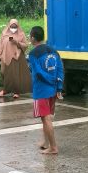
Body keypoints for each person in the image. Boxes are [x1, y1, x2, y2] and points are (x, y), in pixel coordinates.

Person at [28, 26, 64, 155]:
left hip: (41, 90)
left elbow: (37, 72)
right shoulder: (54, 51)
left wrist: (49, 80)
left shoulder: (33, 54)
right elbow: (60, 69)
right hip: (53, 90)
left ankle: (53, 147)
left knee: (46, 118)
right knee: (47, 117)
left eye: (29, 36)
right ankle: (45, 142)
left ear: (33, 38)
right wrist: (58, 86)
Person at [0, 19, 31, 98]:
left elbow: (25, 45)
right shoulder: (4, 34)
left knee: (15, 75)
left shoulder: (21, 34)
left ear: (17, 26)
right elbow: (0, 44)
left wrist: (16, 42)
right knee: (3, 72)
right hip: (5, 56)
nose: (13, 28)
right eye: (12, 26)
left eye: (15, 27)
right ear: (9, 26)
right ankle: (6, 89)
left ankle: (16, 92)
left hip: (16, 57)